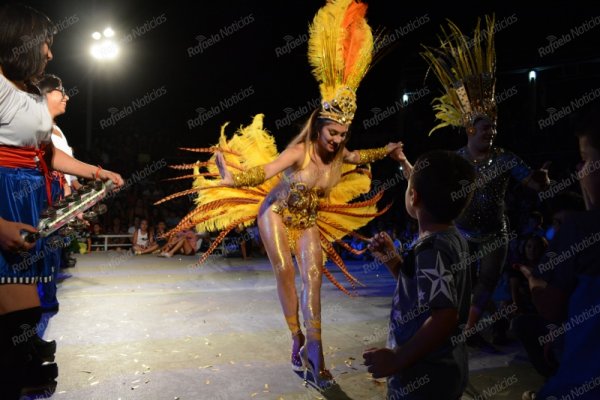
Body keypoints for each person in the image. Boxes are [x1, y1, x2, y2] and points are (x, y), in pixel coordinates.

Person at [158, 0, 401, 391]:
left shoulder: (340, 157)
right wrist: (229, 177)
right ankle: (296, 339)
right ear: (319, 126)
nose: (336, 139)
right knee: (286, 273)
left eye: (342, 134)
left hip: (308, 222)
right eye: (331, 132)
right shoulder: (299, 152)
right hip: (274, 212)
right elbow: (263, 173)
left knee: (315, 279)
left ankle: (317, 353)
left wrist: (386, 151)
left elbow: (360, 155)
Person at [404, 16, 551, 346]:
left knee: (486, 282)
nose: (492, 131)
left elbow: (531, 183)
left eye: (495, 126)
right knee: (460, 285)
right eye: (486, 126)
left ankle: (467, 331)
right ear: (471, 129)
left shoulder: (505, 157)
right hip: (461, 232)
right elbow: (435, 185)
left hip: (495, 234)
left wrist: (540, 181)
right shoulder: (457, 159)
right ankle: (454, 327)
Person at [0, 5, 124, 397]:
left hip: (28, 201)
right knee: (12, 330)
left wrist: (95, 172)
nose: (51, 54)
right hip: (4, 201)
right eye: (46, 44)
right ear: (21, 43)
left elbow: (47, 154)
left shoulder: (31, 92)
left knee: (24, 322)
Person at [363, 150, 476, 400]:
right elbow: (421, 292)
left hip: (423, 377)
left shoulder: (431, 251)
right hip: (447, 369)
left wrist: (397, 358)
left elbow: (444, 315)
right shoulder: (452, 239)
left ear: (413, 196)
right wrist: (393, 260)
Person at [518, 113, 600, 400]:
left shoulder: (579, 229)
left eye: (585, 160)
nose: (580, 169)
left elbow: (550, 307)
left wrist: (534, 284)